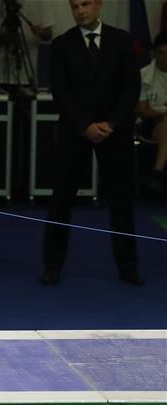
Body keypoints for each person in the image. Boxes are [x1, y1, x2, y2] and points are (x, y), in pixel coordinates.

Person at [41, 0, 143, 286]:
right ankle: (52, 266)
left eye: (85, 4)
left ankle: (128, 267)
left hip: (115, 130)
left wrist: (111, 123)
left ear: (99, 5)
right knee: (61, 199)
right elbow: (60, 91)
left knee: (121, 201)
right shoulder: (62, 45)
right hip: (76, 130)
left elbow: (131, 87)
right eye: (75, 6)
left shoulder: (121, 41)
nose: (80, 11)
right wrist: (85, 125)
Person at [137, 32, 167, 195]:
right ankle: (157, 172)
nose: (165, 57)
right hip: (152, 122)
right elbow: (141, 109)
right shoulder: (144, 74)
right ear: (155, 53)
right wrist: (158, 113)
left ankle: (157, 172)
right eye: (161, 53)